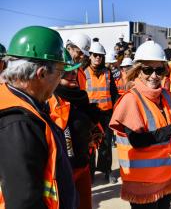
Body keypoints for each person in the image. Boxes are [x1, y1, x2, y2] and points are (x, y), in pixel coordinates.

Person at [109, 40, 171, 209]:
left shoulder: (166, 97)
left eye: (159, 70)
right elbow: (137, 141)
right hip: (141, 181)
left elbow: (168, 133)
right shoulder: (130, 99)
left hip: (164, 176)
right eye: (148, 70)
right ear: (138, 71)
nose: (154, 75)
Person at [0, 26, 77, 209]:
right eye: (60, 73)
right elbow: (23, 202)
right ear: (41, 73)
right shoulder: (17, 123)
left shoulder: (25, 106)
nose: (60, 80)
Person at [48, 49, 100, 209]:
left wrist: (93, 135)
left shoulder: (80, 98)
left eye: (74, 71)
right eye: (66, 73)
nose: (72, 76)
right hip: (64, 171)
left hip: (82, 165)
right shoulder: (50, 99)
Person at [85, 41, 119, 183]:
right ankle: (90, 172)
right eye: (95, 55)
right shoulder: (83, 72)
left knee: (106, 144)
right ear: (90, 56)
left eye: (100, 55)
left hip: (106, 115)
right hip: (90, 115)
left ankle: (107, 171)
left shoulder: (107, 73)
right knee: (91, 145)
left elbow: (114, 93)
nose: (98, 58)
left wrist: (116, 112)